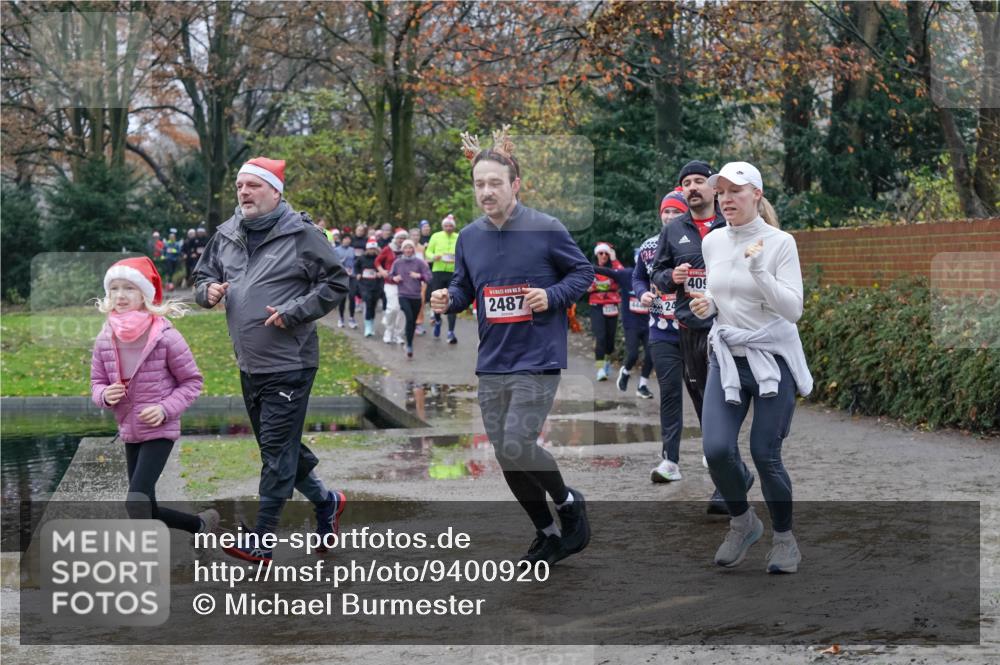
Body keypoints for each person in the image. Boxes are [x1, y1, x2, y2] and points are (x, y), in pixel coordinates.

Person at [430, 127, 593, 565]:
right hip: (493, 359)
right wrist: (448, 299)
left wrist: (551, 296)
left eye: (495, 183)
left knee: (519, 442)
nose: (486, 191)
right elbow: (467, 290)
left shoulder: (545, 228)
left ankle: (569, 504)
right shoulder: (469, 237)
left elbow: (583, 273)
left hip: (537, 356)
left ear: (515, 185)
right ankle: (547, 532)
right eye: (479, 184)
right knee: (506, 454)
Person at [193, 156, 350, 564]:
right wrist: (206, 291)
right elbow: (202, 274)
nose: (244, 192)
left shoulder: (302, 234)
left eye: (253, 186)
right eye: (240, 186)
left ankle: (261, 540)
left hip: (291, 362)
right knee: (278, 446)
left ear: (275, 191)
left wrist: (296, 311)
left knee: (276, 451)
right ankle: (327, 501)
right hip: (250, 362)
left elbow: (336, 281)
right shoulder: (226, 234)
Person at [691, 161, 812, 574]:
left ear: (756, 195)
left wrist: (759, 269)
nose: (726, 199)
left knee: (765, 454)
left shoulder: (780, 243)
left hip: (771, 360)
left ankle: (785, 541)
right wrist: (707, 303)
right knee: (717, 450)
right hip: (727, 358)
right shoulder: (713, 242)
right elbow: (716, 290)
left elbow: (792, 310)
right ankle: (743, 523)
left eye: (735, 191)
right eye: (720, 192)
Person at [650, 161, 754, 508]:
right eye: (686, 183)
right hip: (690, 331)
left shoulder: (732, 224)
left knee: (724, 406)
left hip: (727, 329)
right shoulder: (674, 230)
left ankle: (726, 485)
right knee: (704, 406)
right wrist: (672, 279)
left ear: (713, 188)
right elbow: (658, 273)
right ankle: (736, 475)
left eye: (699, 181)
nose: (692, 187)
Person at [90, 257, 217, 535]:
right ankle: (199, 525)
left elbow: (192, 381)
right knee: (145, 506)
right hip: (129, 429)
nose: (120, 295)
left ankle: (146, 569)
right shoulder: (105, 337)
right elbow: (97, 383)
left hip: (160, 428)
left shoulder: (165, 336)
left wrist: (164, 409)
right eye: (114, 289)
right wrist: (104, 395)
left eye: (129, 288)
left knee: (135, 501)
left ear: (145, 294)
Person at [634, 189, 693, 482]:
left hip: (695, 331)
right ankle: (670, 462)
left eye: (676, 212)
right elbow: (638, 277)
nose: (670, 217)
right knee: (669, 394)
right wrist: (642, 293)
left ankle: (718, 452)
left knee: (704, 394)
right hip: (661, 332)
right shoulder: (648, 247)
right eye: (666, 212)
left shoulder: (700, 243)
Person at [389, 239, 432, 358]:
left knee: (412, 321)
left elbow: (429, 277)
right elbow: (390, 275)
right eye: (406, 248)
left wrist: (419, 276)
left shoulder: (420, 262)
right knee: (409, 317)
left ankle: (409, 341)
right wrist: (394, 278)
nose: (408, 250)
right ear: (402, 249)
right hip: (403, 295)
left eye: (410, 248)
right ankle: (409, 345)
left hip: (416, 296)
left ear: (413, 249)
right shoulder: (398, 262)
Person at [587, 242, 622, 381]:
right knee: (600, 337)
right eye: (601, 253)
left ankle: (606, 362)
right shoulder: (591, 269)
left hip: (612, 305)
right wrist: (588, 287)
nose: (603, 256)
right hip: (596, 305)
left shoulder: (614, 269)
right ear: (596, 254)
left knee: (610, 340)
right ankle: (600, 368)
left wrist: (614, 260)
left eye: (606, 253)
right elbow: (583, 283)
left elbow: (623, 275)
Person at [425, 214, 460, 343]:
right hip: (438, 271)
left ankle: (451, 332)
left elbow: (464, 253)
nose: (448, 228)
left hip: (453, 272)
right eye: (446, 225)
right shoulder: (436, 236)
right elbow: (428, 252)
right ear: (442, 226)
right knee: (437, 299)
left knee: (452, 301)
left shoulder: (459, 237)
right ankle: (438, 321)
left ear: (454, 227)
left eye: (451, 226)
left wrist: (458, 257)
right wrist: (435, 257)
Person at [375, 229, 409, 345]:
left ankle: (398, 334)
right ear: (396, 238)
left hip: (405, 284)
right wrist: (382, 271)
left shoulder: (408, 250)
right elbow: (377, 261)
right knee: (393, 308)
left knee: (402, 311)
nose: (401, 240)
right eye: (400, 238)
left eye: (404, 238)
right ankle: (388, 331)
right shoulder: (388, 248)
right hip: (390, 283)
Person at [356, 237, 384, 337]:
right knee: (368, 303)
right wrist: (358, 273)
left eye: (374, 249)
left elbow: (383, 269)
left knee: (373, 305)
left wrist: (380, 273)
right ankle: (367, 327)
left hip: (376, 285)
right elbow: (356, 266)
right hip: (364, 284)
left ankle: (371, 324)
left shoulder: (379, 259)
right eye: (370, 249)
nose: (372, 251)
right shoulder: (362, 258)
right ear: (367, 249)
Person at [332, 234, 358, 328]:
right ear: (342, 240)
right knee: (342, 299)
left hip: (352, 276)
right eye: (346, 239)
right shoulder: (336, 250)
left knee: (352, 297)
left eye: (349, 239)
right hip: (342, 277)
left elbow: (355, 261)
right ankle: (341, 318)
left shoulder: (352, 250)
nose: (347, 240)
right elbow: (334, 263)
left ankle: (352, 318)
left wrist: (353, 270)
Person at [408, 227, 428, 335]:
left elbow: (424, 261)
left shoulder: (421, 248)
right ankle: (410, 323)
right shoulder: (407, 248)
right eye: (413, 235)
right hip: (409, 278)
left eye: (417, 235)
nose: (416, 237)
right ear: (410, 236)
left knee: (421, 300)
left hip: (420, 278)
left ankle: (419, 323)